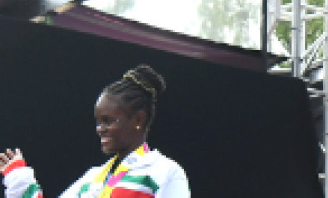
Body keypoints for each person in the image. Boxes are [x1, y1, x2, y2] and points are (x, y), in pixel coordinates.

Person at [1, 64, 189, 198]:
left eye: (108, 121)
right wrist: (20, 181)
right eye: (98, 122)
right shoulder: (92, 179)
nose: (100, 129)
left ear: (138, 119)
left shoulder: (165, 173)